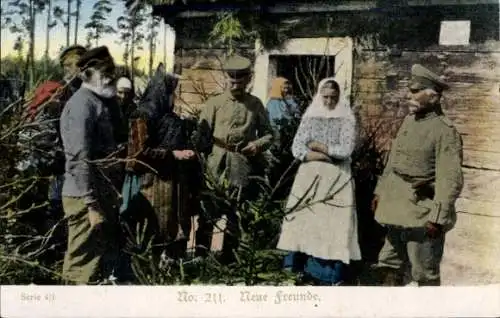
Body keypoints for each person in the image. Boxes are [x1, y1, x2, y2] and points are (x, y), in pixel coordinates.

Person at [371, 64, 464, 286]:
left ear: (433, 97)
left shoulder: (444, 131)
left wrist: (438, 218)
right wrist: (379, 192)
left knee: (423, 274)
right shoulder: (408, 121)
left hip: (422, 213)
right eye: (410, 90)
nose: (408, 95)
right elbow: (392, 163)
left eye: (415, 91)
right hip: (396, 207)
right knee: (387, 263)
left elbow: (449, 179)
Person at [117, 64, 200, 281]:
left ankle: (165, 272)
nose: (174, 97)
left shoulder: (166, 115)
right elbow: (138, 153)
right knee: (152, 228)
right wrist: (173, 155)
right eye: (172, 92)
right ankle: (142, 273)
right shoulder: (142, 116)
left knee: (171, 228)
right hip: (150, 181)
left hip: (171, 180)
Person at [276, 77, 362, 286]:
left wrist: (318, 146)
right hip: (308, 177)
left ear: (339, 97)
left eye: (333, 97)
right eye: (325, 97)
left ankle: (326, 275)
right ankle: (296, 269)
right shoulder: (311, 117)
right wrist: (318, 155)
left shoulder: (346, 119)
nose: (329, 101)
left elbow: (345, 150)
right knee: (304, 220)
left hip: (336, 178)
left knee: (331, 223)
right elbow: (297, 148)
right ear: (319, 95)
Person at [195, 54, 274, 261]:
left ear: (247, 80)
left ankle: (229, 257)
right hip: (216, 162)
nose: (235, 85)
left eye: (240, 81)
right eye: (231, 81)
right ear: (225, 79)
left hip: (242, 164)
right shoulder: (214, 103)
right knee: (209, 208)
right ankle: (201, 255)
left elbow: (269, 134)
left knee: (236, 210)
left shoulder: (255, 104)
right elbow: (201, 137)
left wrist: (256, 145)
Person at [59, 46, 122, 284]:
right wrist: (91, 206)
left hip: (97, 194)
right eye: (104, 72)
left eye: (112, 71)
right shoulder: (81, 105)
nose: (110, 77)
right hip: (84, 197)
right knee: (81, 267)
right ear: (85, 75)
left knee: (94, 263)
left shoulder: (98, 101)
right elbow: (78, 158)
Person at [266, 77, 301, 198]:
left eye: (287, 86)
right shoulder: (273, 102)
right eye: (283, 87)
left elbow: (297, 113)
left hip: (289, 135)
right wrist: (290, 119)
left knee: (288, 163)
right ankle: (274, 193)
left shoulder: (290, 100)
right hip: (277, 135)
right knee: (276, 163)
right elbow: (277, 118)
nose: (286, 89)